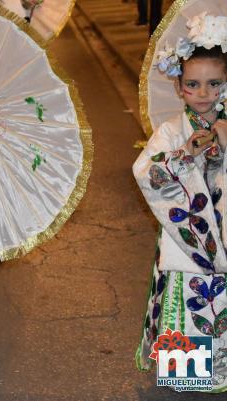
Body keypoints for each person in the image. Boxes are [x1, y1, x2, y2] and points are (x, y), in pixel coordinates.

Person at [134, 13, 227, 391]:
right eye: (193, 84)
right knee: (191, 300)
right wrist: (186, 154)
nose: (203, 93)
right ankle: (189, 374)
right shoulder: (171, 131)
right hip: (187, 244)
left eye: (214, 84)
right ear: (179, 88)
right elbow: (146, 174)